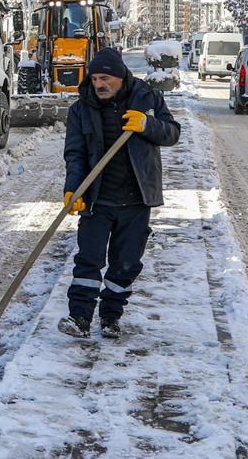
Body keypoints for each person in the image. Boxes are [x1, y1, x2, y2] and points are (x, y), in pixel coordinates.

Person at [59, 48, 181, 339]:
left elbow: (173, 132)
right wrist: (73, 188)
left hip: (137, 198)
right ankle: (80, 318)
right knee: (88, 259)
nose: (99, 84)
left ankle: (111, 317)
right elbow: (75, 154)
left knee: (125, 264)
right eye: (94, 78)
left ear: (120, 76)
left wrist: (146, 124)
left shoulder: (147, 98)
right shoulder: (81, 109)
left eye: (105, 78)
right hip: (97, 197)